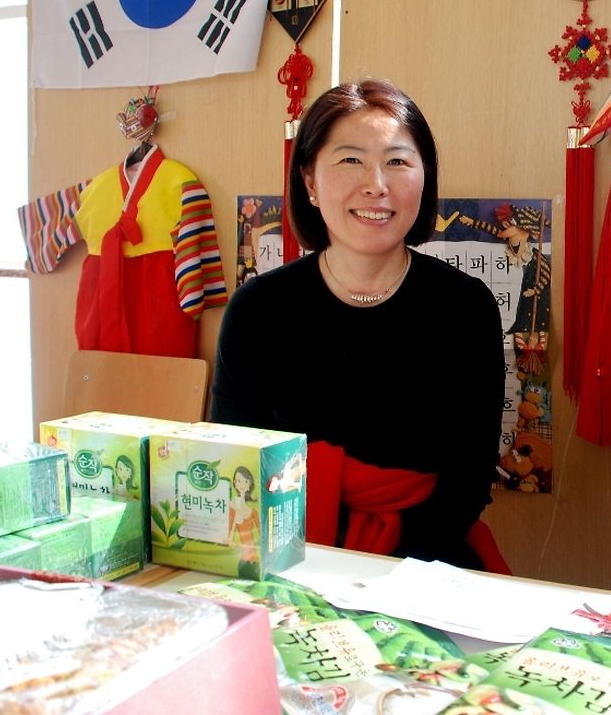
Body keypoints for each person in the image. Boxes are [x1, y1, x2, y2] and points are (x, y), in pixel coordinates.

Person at [210, 78, 505, 570]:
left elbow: (468, 482)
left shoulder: (465, 307)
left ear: (425, 179)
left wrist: (379, 576)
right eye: (351, 160)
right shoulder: (257, 309)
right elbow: (236, 466)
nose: (377, 185)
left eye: (398, 162)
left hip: (425, 565)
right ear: (309, 182)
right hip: (282, 556)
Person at [227, 465, 261, 578]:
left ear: (249, 484)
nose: (241, 484)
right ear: (234, 483)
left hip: (253, 554)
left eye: (245, 481)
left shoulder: (253, 512)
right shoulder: (232, 507)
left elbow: (262, 532)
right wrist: (230, 538)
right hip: (241, 555)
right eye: (238, 481)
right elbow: (230, 532)